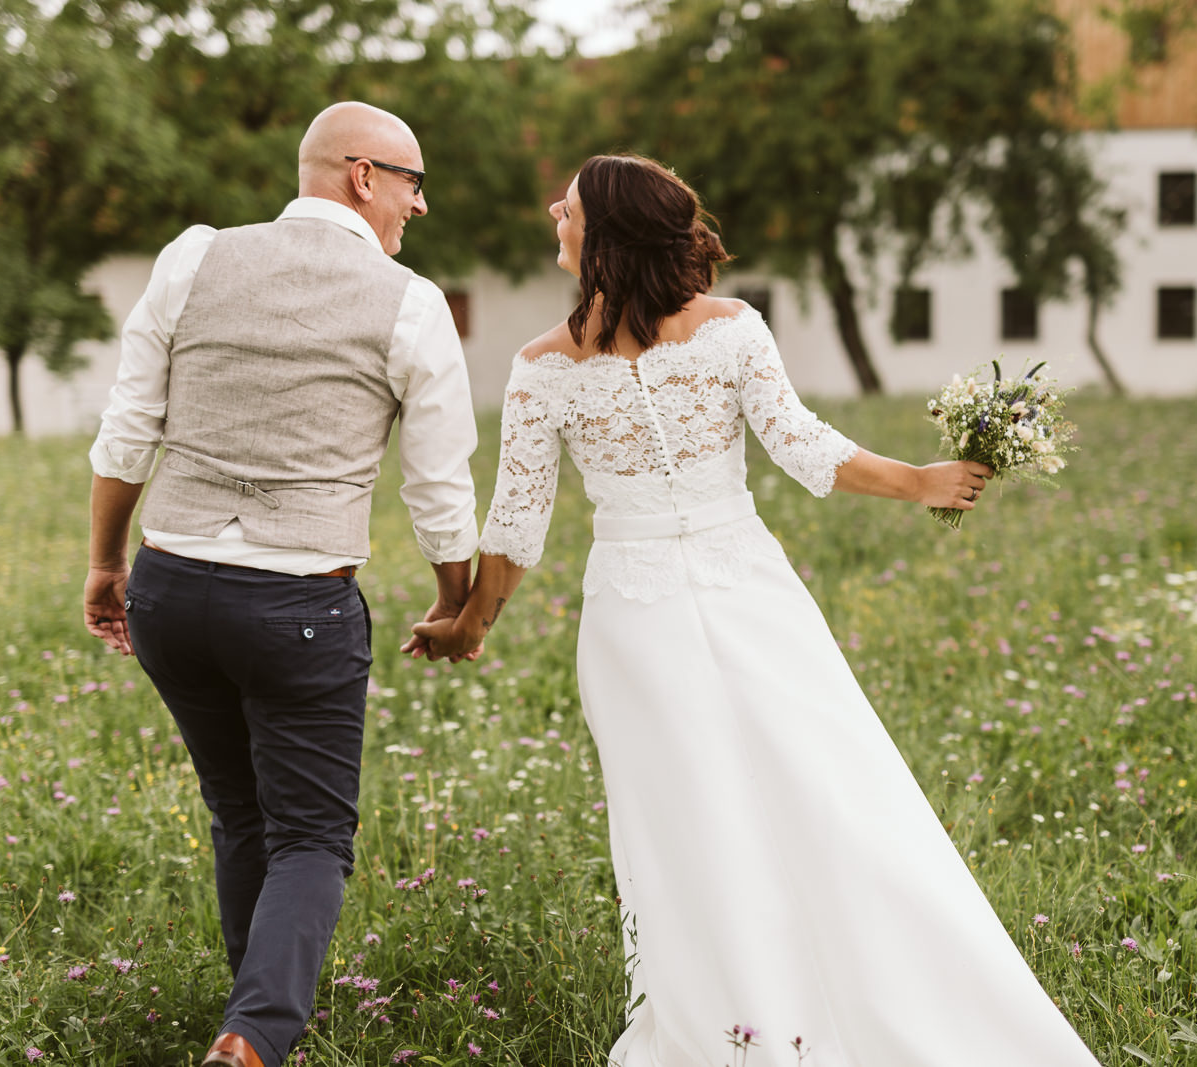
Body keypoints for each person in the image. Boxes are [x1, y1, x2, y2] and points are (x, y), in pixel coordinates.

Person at [411, 155, 1102, 1066]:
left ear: (608, 234)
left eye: (569, 206)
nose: (554, 211)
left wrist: (471, 623)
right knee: (809, 794)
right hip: (722, 599)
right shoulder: (718, 333)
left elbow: (517, 526)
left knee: (708, 816)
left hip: (663, 608)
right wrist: (917, 482)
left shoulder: (549, 366)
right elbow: (803, 449)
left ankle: (738, 1030)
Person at [82, 102, 481, 1067]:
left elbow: (131, 422)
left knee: (240, 809)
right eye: (412, 183)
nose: (417, 207)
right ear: (361, 175)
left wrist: (106, 561)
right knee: (309, 835)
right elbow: (437, 480)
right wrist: (455, 597)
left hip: (171, 587)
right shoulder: (409, 301)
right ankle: (255, 1037)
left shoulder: (195, 257)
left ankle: (249, 1010)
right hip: (299, 601)